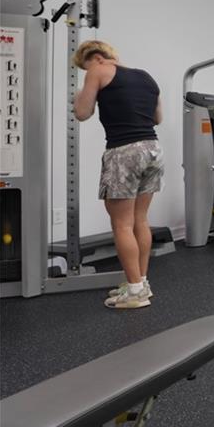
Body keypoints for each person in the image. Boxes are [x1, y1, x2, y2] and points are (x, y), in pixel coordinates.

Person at [72, 40, 163, 310]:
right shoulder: (146, 77)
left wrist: (80, 94)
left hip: (124, 152)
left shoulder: (98, 69)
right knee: (140, 220)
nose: (87, 71)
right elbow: (157, 118)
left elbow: (82, 112)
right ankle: (141, 283)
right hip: (153, 149)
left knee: (122, 225)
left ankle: (135, 292)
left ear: (95, 57)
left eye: (85, 66)